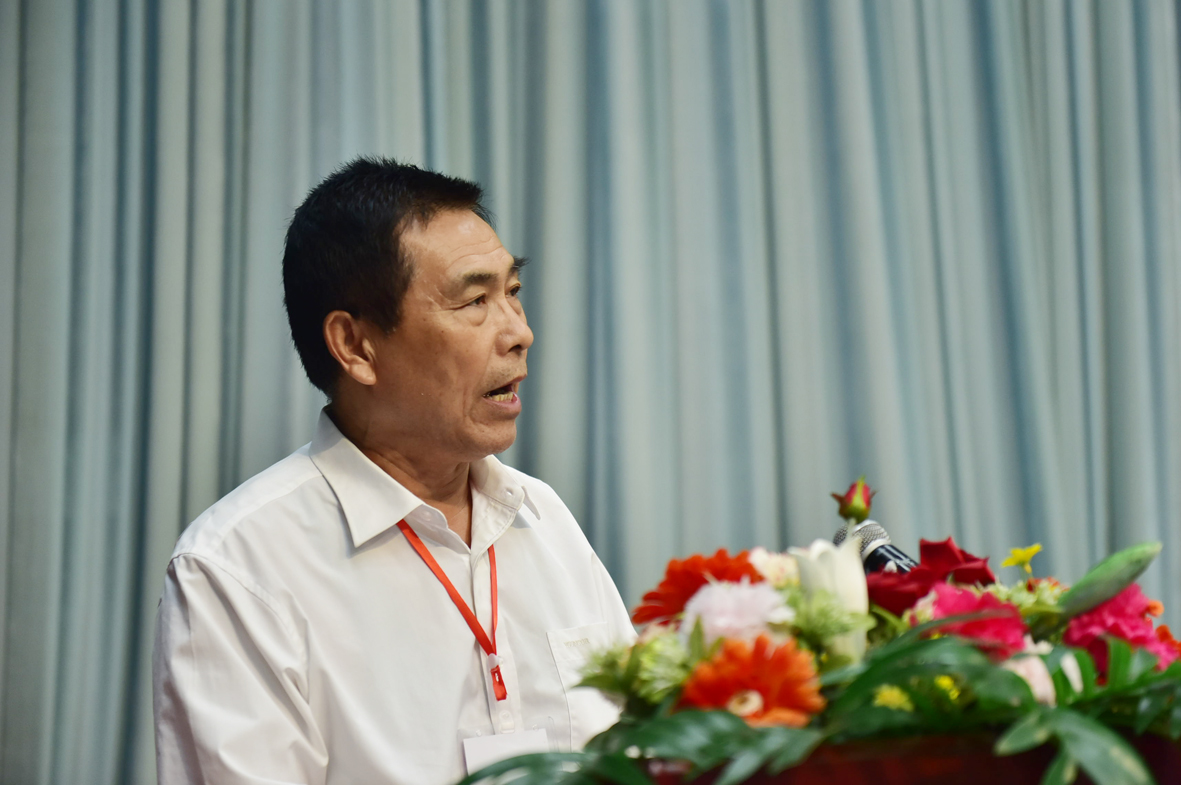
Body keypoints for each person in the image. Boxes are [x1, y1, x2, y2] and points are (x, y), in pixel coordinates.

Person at [153, 158, 635, 785]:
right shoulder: (237, 571)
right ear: (356, 346)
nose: (520, 333)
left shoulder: (541, 516)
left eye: (512, 292)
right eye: (475, 300)